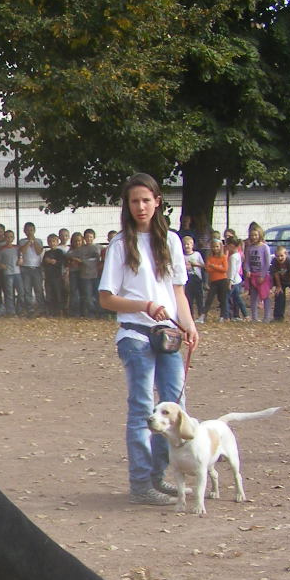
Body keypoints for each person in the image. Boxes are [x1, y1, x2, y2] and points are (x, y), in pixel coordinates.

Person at [98, 173, 198, 506]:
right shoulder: (120, 244)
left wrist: (189, 325)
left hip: (167, 335)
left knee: (174, 408)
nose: (141, 207)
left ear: (157, 202)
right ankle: (140, 483)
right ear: (127, 206)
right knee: (143, 408)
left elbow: (178, 292)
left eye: (146, 200)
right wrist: (144, 305)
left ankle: (158, 476)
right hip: (135, 335)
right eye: (134, 201)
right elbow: (106, 298)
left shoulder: (170, 241)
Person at [242, 223, 273, 322]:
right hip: (253, 276)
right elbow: (246, 261)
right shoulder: (250, 248)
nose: (254, 237)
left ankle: (267, 317)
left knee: (265, 296)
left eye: (256, 235)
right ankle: (254, 317)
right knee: (253, 297)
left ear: (260, 235)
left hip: (263, 275)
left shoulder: (264, 247)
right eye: (252, 235)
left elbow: (268, 262)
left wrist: (263, 275)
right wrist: (247, 270)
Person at [270, 245, 290, 322]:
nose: (280, 258)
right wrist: (278, 286)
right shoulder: (274, 261)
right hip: (281, 280)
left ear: (286, 254)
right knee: (279, 295)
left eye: (282, 256)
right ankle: (278, 317)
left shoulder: (289, 260)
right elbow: (276, 274)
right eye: (278, 256)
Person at [18, 222, 44, 316]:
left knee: (38, 289)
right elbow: (22, 251)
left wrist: (34, 241)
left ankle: (41, 307)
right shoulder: (22, 241)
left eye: (31, 230)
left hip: (36, 268)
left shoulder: (39, 241)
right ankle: (29, 308)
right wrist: (28, 242)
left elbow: (38, 252)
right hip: (25, 268)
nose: (30, 232)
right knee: (27, 289)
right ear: (24, 231)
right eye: (28, 230)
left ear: (34, 230)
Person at [42, 232, 68, 316]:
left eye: (54, 241)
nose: (52, 243)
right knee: (49, 294)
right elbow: (43, 263)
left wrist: (53, 261)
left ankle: (61, 311)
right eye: (50, 241)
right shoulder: (46, 253)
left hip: (57, 277)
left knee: (59, 294)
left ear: (57, 242)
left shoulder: (60, 252)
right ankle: (51, 311)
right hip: (48, 277)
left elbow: (63, 262)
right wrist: (47, 262)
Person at [181, 234, 205, 319]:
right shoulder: (181, 256)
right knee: (188, 297)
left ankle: (201, 314)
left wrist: (195, 264)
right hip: (187, 278)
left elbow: (203, 265)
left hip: (197, 277)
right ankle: (190, 315)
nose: (187, 246)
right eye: (185, 244)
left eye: (188, 244)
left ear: (192, 245)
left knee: (199, 297)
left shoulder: (197, 254)